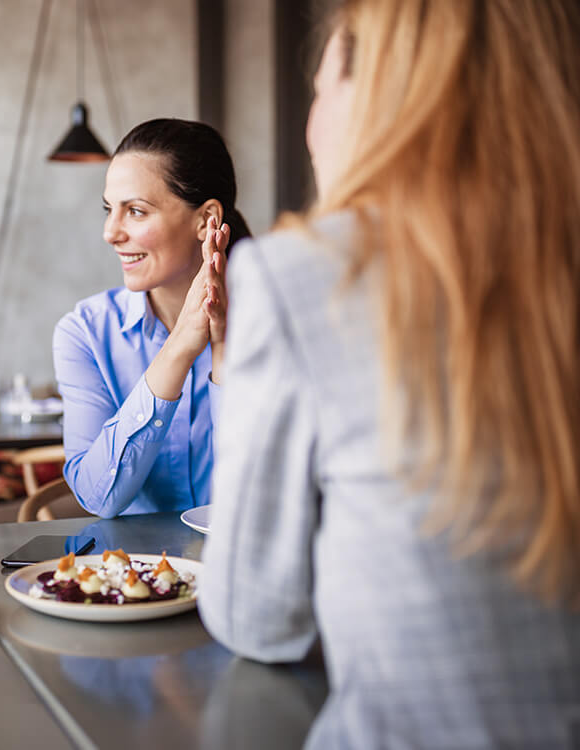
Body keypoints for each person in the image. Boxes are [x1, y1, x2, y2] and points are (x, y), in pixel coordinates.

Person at [198, 1, 580, 747]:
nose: (311, 124)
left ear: (378, 95)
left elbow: (256, 614)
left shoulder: (302, 276)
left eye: (319, 88)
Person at [53, 119, 249, 518]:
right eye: (110, 210)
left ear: (206, 219)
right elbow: (97, 498)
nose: (111, 232)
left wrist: (225, 344)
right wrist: (179, 348)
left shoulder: (277, 323)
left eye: (136, 212)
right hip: (139, 576)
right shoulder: (85, 332)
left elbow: (261, 497)